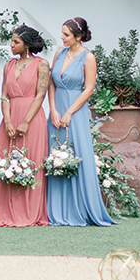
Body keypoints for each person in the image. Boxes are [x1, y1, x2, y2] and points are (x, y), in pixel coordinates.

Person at [46, 17, 114, 226]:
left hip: (75, 111)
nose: (62, 37)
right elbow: (51, 83)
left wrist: (69, 113)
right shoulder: (59, 53)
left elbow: (89, 89)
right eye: (62, 33)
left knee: (75, 153)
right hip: (57, 110)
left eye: (66, 34)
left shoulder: (88, 57)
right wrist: (54, 109)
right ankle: (56, 209)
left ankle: (80, 208)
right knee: (55, 154)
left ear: (79, 36)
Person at [0, 25, 50, 227]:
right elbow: (4, 96)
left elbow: (40, 95)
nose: (11, 45)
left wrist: (25, 121)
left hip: (32, 118)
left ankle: (29, 211)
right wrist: (7, 120)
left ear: (27, 44)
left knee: (30, 162)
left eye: (16, 42)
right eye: (12, 41)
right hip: (10, 117)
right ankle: (4, 209)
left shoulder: (42, 64)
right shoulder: (9, 65)